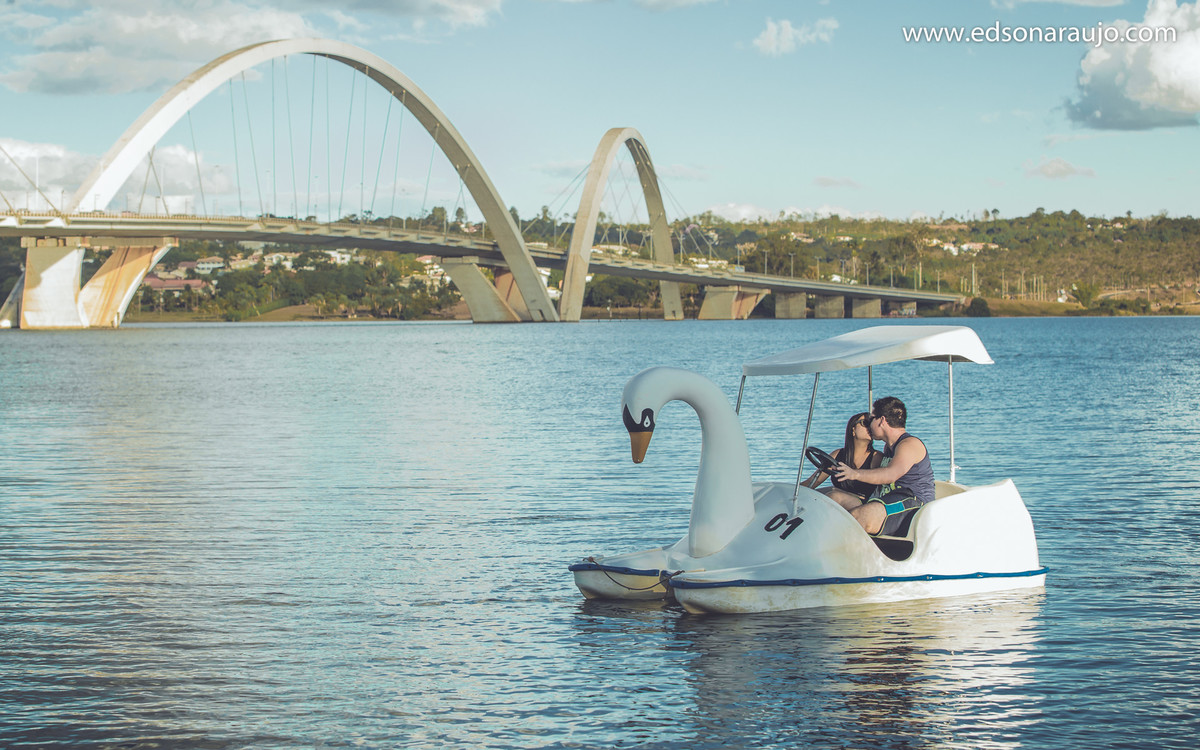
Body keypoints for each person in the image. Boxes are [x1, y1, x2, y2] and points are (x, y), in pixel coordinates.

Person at [831, 396, 935, 536]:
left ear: (882, 420)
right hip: (888, 499)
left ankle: (835, 554)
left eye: (870, 420)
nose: (869, 426)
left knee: (858, 516)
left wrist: (855, 474)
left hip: (913, 504)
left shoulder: (909, 445)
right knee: (834, 498)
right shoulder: (889, 447)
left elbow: (890, 475)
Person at [802, 412, 883, 508]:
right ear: (853, 429)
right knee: (808, 496)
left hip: (863, 504)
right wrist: (789, 491)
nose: (870, 427)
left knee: (834, 496)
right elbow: (812, 482)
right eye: (865, 423)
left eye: (871, 423)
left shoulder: (876, 457)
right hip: (838, 500)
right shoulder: (838, 454)